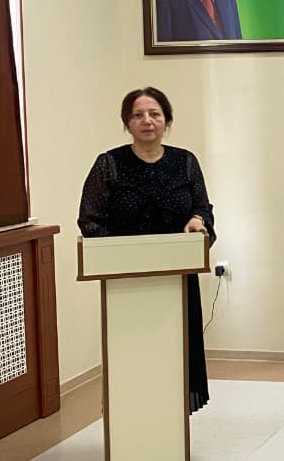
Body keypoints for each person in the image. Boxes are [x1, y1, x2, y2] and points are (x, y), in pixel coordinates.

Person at [78, 87, 215, 411]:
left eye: (154, 114)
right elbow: (90, 220)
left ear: (167, 120)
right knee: (135, 359)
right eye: (137, 115)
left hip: (177, 277)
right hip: (127, 283)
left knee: (177, 356)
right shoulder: (109, 164)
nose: (147, 121)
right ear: (127, 122)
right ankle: (133, 420)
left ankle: (171, 427)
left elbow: (203, 208)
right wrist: (127, 255)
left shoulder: (185, 162)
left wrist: (197, 220)